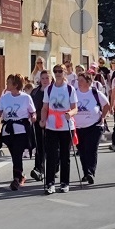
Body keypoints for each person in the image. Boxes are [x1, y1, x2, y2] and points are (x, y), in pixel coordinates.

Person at [41, 64, 78, 194]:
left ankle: (64, 183)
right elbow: (45, 107)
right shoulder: (49, 89)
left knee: (65, 155)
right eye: (55, 71)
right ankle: (50, 183)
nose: (57, 73)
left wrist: (70, 114)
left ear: (65, 73)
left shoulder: (69, 89)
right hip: (51, 126)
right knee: (51, 155)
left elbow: (75, 108)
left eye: (60, 71)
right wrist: (43, 120)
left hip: (66, 125)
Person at [0, 74, 36, 191]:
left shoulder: (26, 98)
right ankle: (20, 175)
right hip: (8, 131)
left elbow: (32, 112)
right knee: (14, 155)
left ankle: (16, 179)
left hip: (21, 131)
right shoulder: (4, 98)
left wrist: (33, 117)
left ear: (15, 85)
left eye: (8, 82)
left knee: (17, 153)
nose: (6, 84)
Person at [74, 72, 110, 184]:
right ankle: (86, 172)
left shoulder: (95, 93)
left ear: (88, 82)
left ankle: (90, 172)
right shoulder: (74, 93)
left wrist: (103, 117)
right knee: (82, 150)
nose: (79, 83)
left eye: (81, 80)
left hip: (94, 126)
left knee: (91, 149)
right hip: (78, 127)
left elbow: (107, 105)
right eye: (78, 80)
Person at [29, 70, 51, 182]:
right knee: (39, 146)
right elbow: (31, 106)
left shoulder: (53, 91)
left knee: (51, 147)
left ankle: (53, 168)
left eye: (47, 78)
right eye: (43, 78)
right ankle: (38, 169)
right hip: (38, 122)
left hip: (52, 122)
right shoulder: (35, 92)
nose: (45, 80)